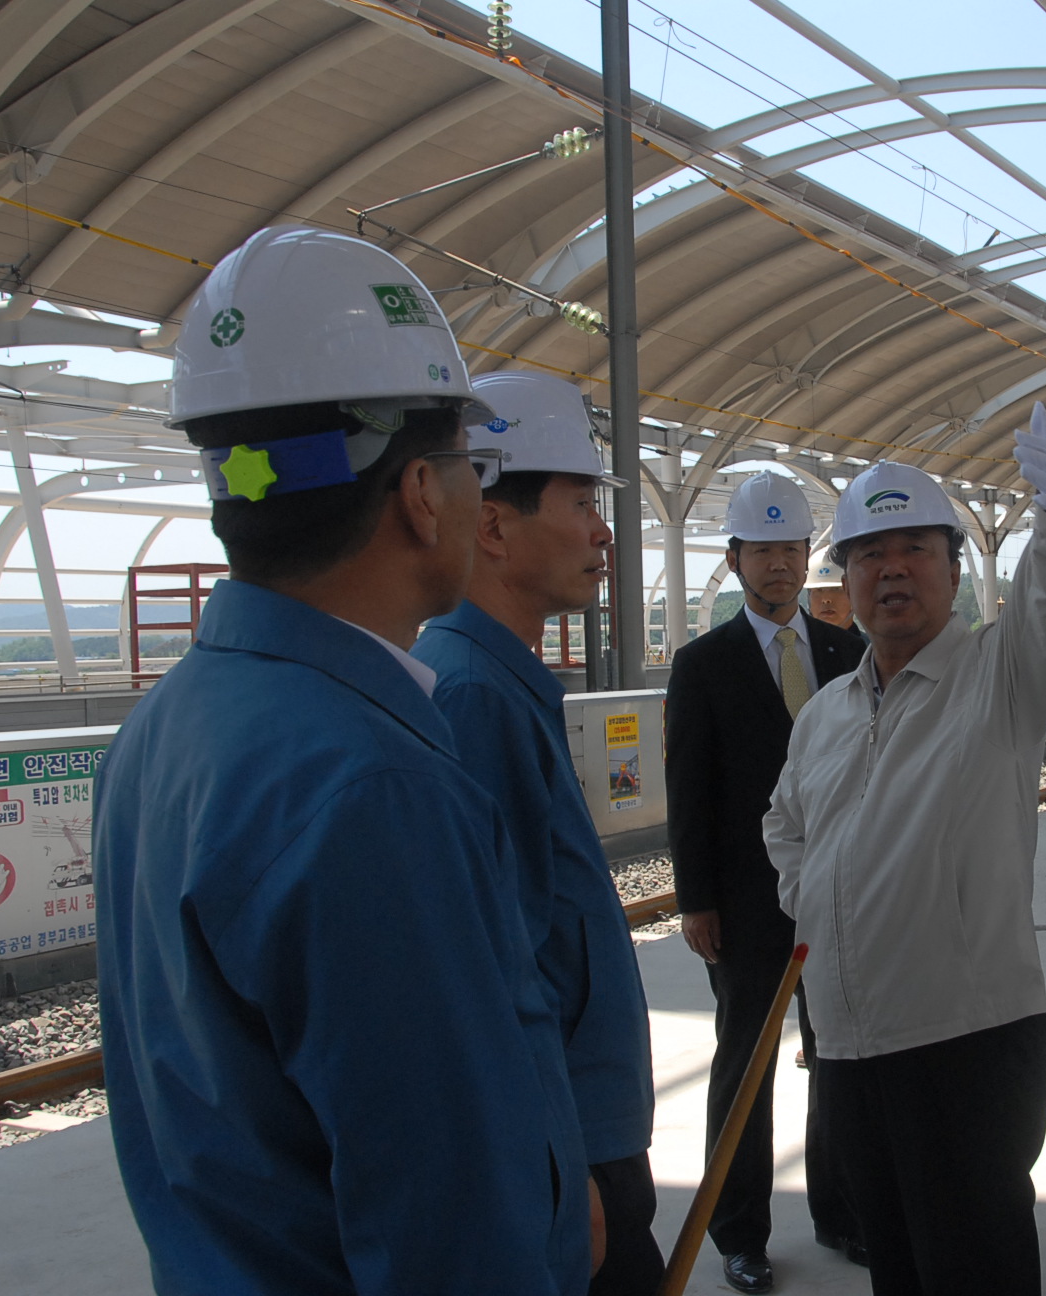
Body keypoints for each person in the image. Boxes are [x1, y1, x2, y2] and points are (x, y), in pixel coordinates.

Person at [94, 226, 593, 1293]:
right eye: (465, 463)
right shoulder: (370, 781)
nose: (474, 497)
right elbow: (442, 1204)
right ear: (420, 493)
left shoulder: (164, 728)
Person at [765, 403, 1046, 1296]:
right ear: (842, 577)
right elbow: (783, 824)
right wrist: (813, 896)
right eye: (870, 554)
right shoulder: (828, 714)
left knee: (975, 1267)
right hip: (846, 1045)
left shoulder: (1001, 676)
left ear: (955, 570)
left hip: (967, 1042)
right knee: (898, 1268)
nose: (892, 571)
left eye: (916, 549)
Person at [411, 371, 661, 1295]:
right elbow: (496, 968)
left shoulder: (493, 683)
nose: (602, 533)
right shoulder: (474, 697)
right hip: (572, 1146)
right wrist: (557, 1165)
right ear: (492, 525)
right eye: (581, 501)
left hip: (584, 1127)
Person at [666, 471, 867, 1294]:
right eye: (764, 551)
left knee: (842, 1055)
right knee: (743, 1063)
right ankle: (739, 1231)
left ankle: (842, 1212)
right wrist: (694, 900)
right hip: (746, 907)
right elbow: (690, 788)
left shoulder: (848, 654)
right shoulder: (702, 665)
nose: (780, 566)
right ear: (736, 558)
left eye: (793, 549)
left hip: (840, 893)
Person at [805, 560, 857, 633]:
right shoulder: (796, 643)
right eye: (819, 590)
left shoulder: (872, 644)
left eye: (836, 589)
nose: (826, 599)